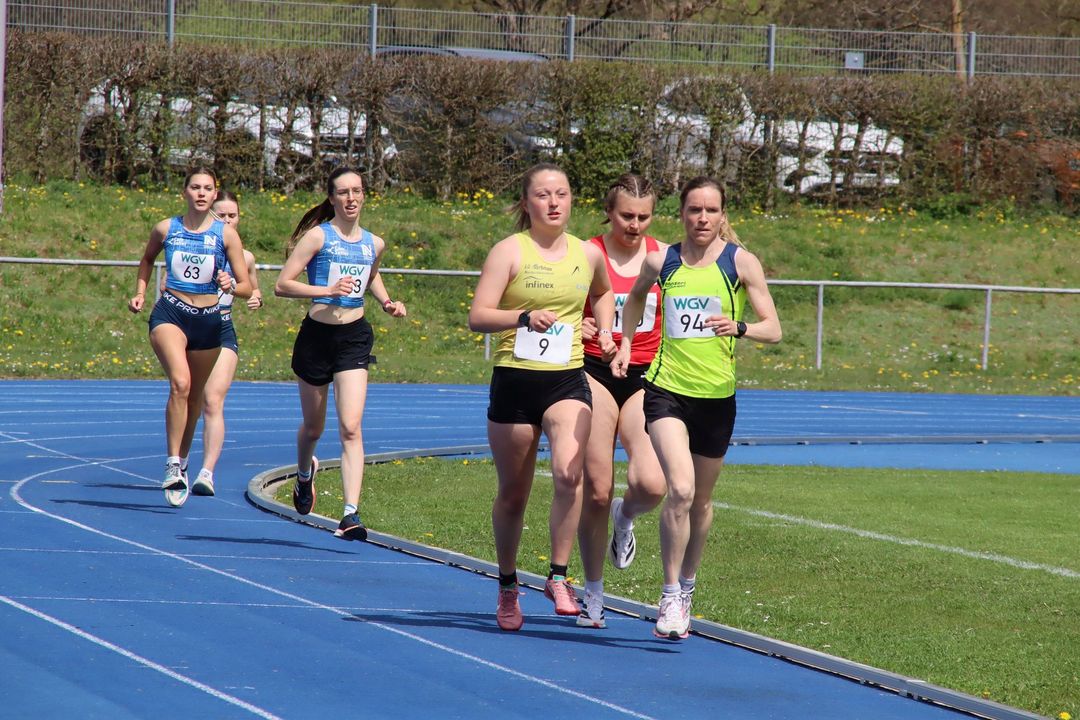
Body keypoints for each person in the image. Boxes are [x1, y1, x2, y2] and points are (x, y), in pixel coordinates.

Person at [612, 176, 781, 640]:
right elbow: (636, 297)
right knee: (681, 491)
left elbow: (774, 328)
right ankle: (669, 595)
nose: (702, 218)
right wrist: (626, 342)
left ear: (722, 214)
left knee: (701, 501)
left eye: (710, 210)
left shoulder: (740, 263)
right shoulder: (661, 260)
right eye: (693, 210)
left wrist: (740, 328)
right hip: (666, 390)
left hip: (717, 398)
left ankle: (687, 586)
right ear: (682, 213)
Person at [467, 162, 617, 632]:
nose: (554, 203)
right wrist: (522, 317)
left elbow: (605, 292)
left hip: (566, 379)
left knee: (570, 473)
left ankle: (558, 575)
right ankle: (508, 584)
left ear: (572, 200)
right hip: (515, 380)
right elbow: (478, 316)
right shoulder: (509, 251)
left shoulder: (588, 254)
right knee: (514, 495)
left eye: (562, 194)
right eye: (543, 195)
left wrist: (605, 329)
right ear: (526, 203)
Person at [274, 166, 406, 542]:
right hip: (316, 337)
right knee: (314, 428)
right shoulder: (319, 236)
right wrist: (327, 291)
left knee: (350, 426)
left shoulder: (374, 243)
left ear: (364, 196)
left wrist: (386, 302)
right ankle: (304, 474)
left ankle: (350, 513)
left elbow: (371, 274)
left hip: (354, 338)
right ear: (332, 198)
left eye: (357, 191)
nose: (351, 198)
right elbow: (283, 284)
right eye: (343, 192)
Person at [575, 174, 668, 629]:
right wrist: (575, 324)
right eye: (626, 215)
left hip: (643, 375)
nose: (634, 224)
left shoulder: (664, 258)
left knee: (651, 483)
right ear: (609, 212)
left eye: (643, 216)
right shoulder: (586, 253)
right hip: (593, 370)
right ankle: (593, 593)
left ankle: (625, 517)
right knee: (596, 488)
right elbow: (555, 303)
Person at [128, 167, 252, 508]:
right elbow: (147, 259)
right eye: (195, 187)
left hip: (209, 320)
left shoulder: (226, 235)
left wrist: (232, 285)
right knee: (180, 383)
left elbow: (246, 287)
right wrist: (140, 292)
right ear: (185, 191)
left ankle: (183, 462)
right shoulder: (166, 228)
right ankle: (171, 463)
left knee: (196, 398)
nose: (201, 193)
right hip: (171, 312)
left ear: (214, 194)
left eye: (207, 188)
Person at [187, 190, 264, 496]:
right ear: (211, 215)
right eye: (222, 215)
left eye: (233, 215)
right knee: (188, 398)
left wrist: (255, 298)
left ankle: (207, 472)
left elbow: (253, 289)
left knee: (213, 400)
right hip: (190, 328)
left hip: (222, 328)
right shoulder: (194, 245)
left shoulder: (246, 257)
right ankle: (179, 462)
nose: (228, 220)